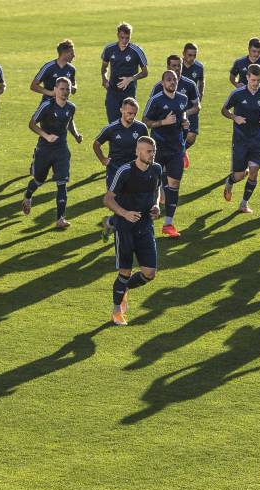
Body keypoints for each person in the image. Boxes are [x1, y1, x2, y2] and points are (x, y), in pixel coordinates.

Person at [104, 136, 162, 326]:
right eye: (148, 151)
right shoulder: (125, 171)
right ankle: (116, 310)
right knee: (125, 272)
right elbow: (108, 199)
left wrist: (156, 205)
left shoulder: (156, 169)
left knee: (149, 273)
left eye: (153, 151)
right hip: (125, 228)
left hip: (145, 226)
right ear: (138, 152)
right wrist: (125, 214)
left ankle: (123, 290)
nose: (152, 155)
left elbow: (157, 190)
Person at [21, 78, 82, 228]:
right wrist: (46, 136)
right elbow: (32, 124)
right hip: (45, 149)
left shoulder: (71, 107)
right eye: (62, 89)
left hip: (61, 149)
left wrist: (76, 135)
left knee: (62, 182)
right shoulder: (46, 106)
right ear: (55, 90)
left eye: (67, 89)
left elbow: (69, 121)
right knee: (39, 180)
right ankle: (28, 196)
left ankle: (60, 219)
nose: (65, 92)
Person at [221, 63, 260, 214]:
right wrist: (234, 117)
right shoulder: (237, 94)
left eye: (258, 80)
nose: (256, 83)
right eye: (253, 80)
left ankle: (244, 204)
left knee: (254, 170)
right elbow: (224, 110)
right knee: (239, 175)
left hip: (257, 139)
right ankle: (229, 182)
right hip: (240, 139)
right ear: (247, 77)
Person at [93, 97, 149, 241]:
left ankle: (110, 223)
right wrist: (103, 159)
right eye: (129, 113)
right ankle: (118, 229)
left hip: (133, 170)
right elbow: (96, 143)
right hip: (115, 170)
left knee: (132, 204)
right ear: (121, 110)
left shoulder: (141, 128)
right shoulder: (111, 128)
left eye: (134, 114)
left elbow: (147, 147)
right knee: (117, 202)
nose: (131, 116)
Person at [143, 70, 190, 237]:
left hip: (176, 148)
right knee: (152, 184)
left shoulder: (182, 98)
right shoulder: (155, 100)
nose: (172, 82)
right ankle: (145, 220)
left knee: (174, 185)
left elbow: (182, 114)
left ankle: (168, 223)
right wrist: (163, 122)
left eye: (174, 79)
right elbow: (145, 121)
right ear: (163, 82)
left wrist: (185, 122)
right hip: (158, 148)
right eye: (169, 80)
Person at [149, 55, 201, 169]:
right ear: (168, 67)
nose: (177, 68)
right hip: (164, 122)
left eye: (179, 66)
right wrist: (161, 121)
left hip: (184, 117)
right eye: (174, 66)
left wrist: (182, 114)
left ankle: (182, 150)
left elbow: (197, 106)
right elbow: (151, 108)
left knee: (191, 137)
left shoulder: (190, 84)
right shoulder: (158, 87)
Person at [101, 22, 149, 123]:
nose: (124, 41)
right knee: (113, 124)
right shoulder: (109, 49)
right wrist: (104, 79)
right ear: (118, 35)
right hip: (112, 92)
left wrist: (130, 79)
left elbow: (145, 72)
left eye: (127, 38)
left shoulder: (136, 51)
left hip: (129, 93)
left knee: (128, 122)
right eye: (122, 37)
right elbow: (104, 67)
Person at [181, 43, 204, 164]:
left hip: (192, 105)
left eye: (194, 55)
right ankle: (179, 153)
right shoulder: (177, 66)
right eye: (189, 55)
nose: (192, 58)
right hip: (179, 104)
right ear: (183, 54)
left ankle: (182, 151)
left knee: (192, 136)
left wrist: (199, 100)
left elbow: (201, 83)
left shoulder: (199, 67)